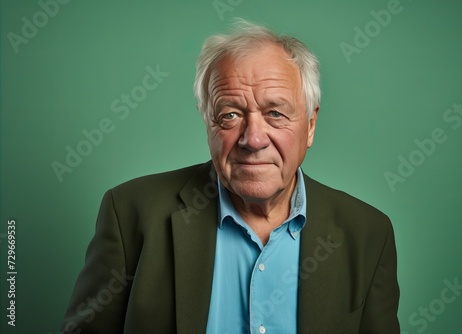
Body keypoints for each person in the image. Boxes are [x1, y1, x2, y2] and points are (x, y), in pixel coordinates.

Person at [61, 19, 400, 334]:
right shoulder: (131, 214)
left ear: (310, 125)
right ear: (207, 120)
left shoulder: (368, 233)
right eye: (230, 114)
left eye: (275, 113)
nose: (253, 139)